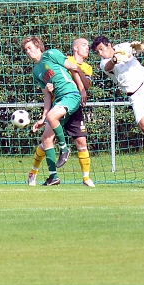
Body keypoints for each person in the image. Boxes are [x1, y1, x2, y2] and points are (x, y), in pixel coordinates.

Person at [28, 38, 95, 187]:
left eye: (30, 47)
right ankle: (52, 176)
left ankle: (65, 151)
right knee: (46, 138)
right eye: (26, 49)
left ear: (39, 47)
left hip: (71, 96)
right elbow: (46, 95)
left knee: (80, 141)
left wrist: (82, 90)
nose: (28, 51)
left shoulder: (51, 54)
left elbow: (74, 68)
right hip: (59, 101)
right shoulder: (36, 71)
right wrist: (42, 118)